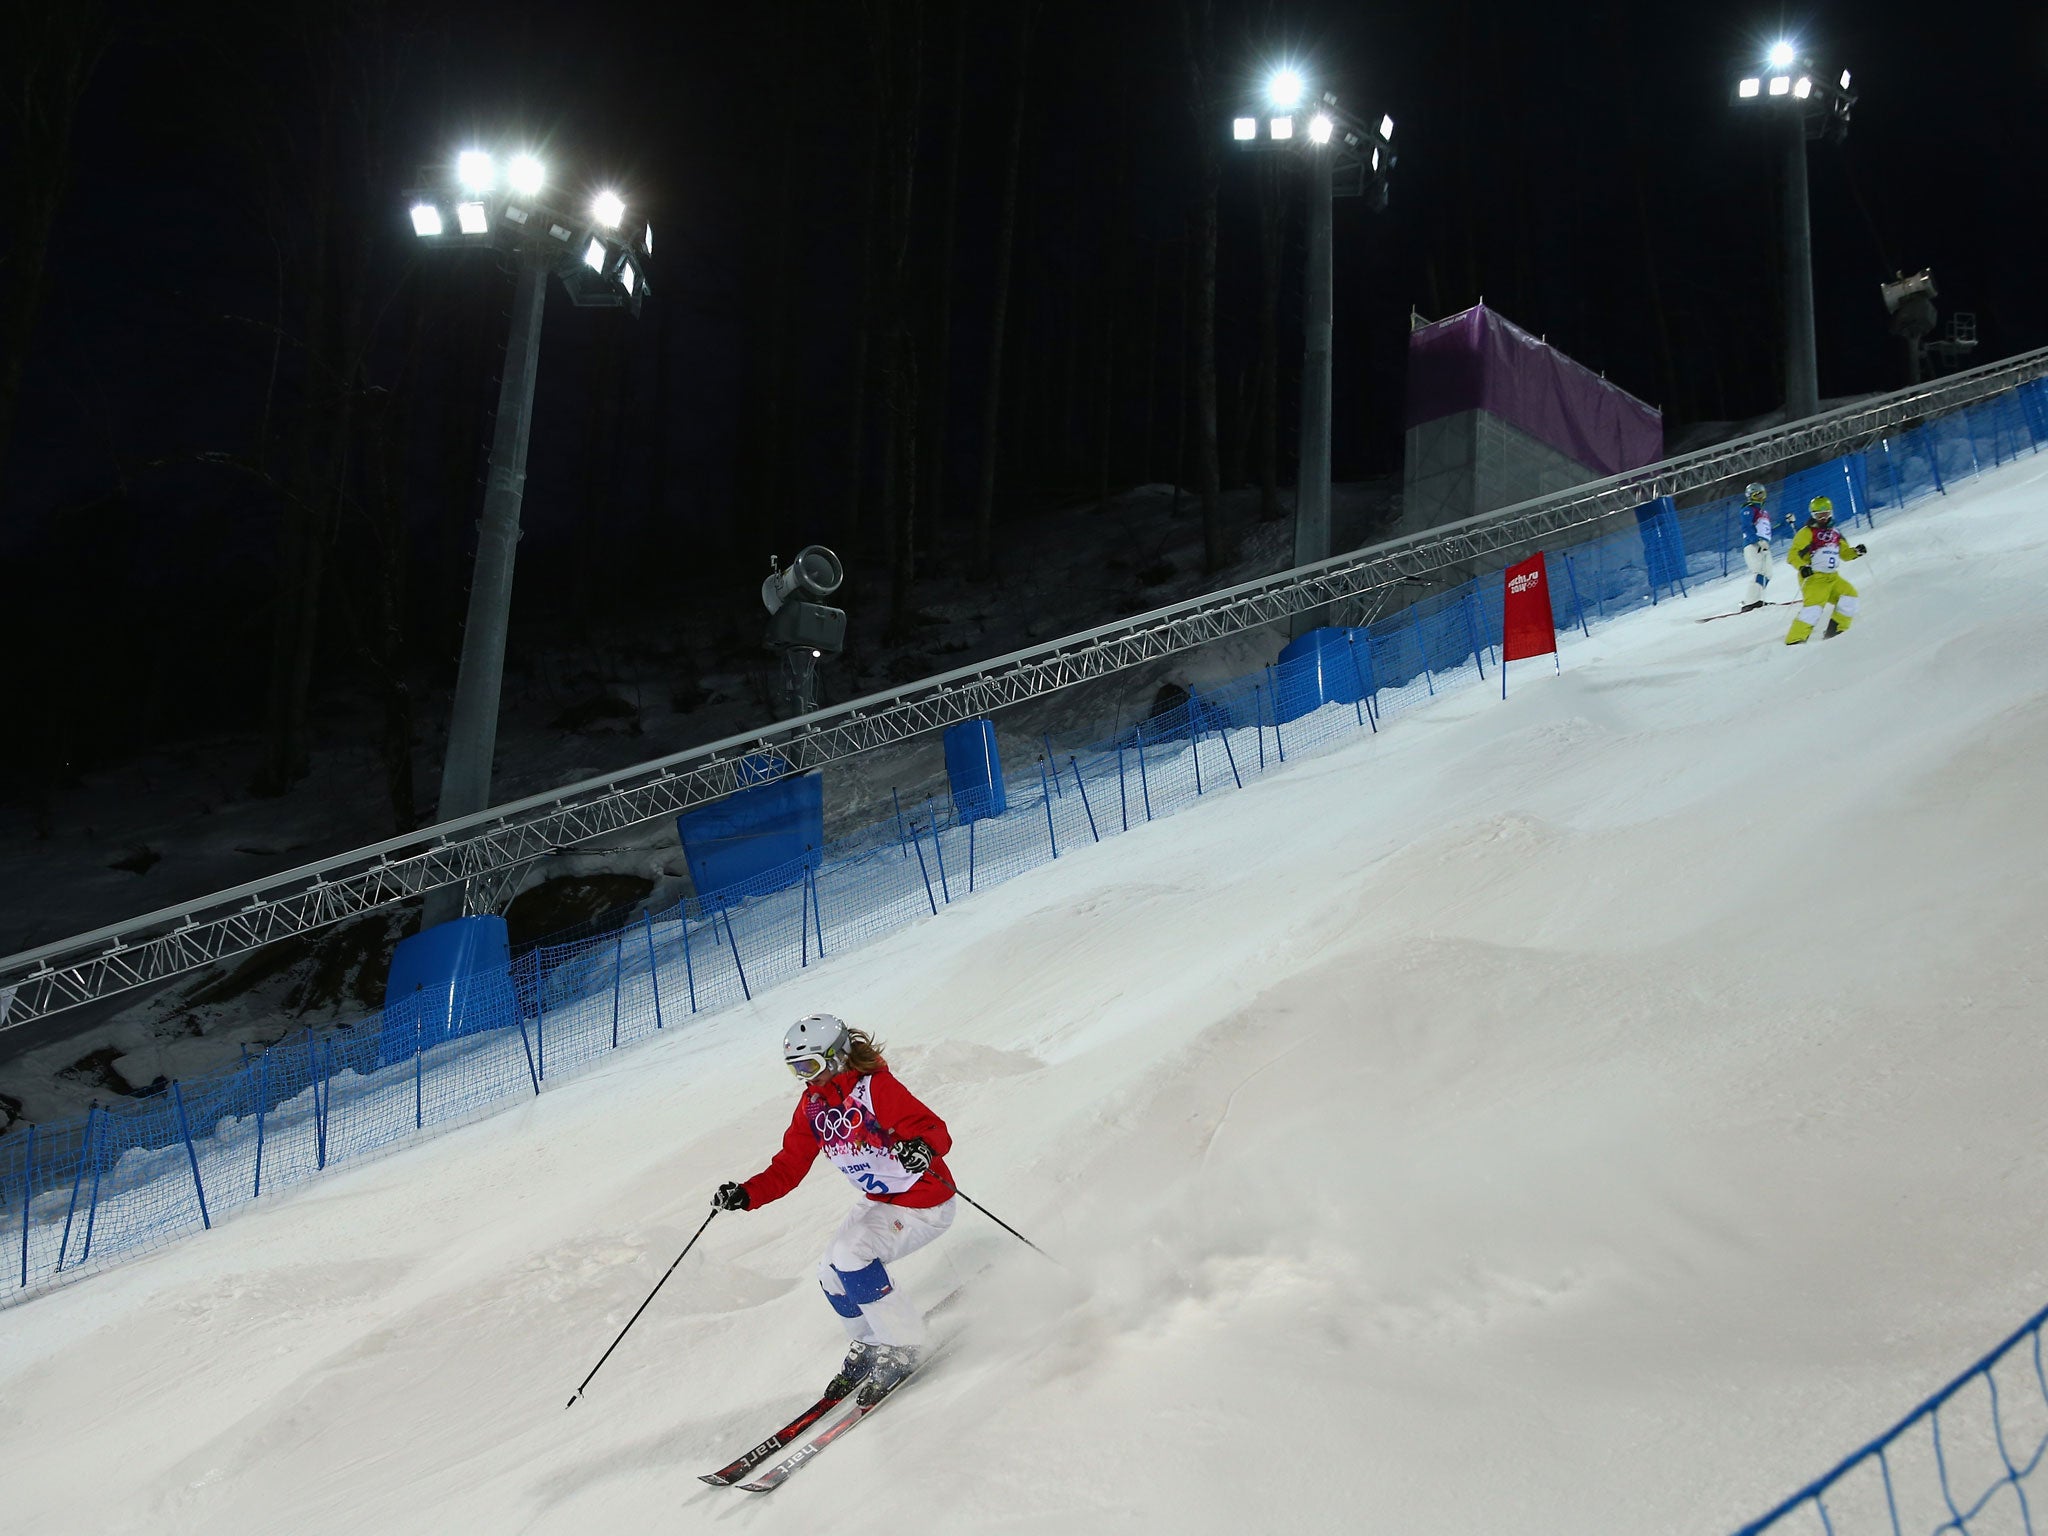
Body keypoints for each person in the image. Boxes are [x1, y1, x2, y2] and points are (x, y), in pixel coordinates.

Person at [712, 1013, 957, 1403]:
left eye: (810, 1065)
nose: (805, 1077)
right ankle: (872, 1341)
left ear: (837, 1057)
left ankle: (907, 1343)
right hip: (880, 1202)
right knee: (830, 1271)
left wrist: (921, 1148)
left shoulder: (876, 1088)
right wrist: (746, 1194)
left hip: (924, 1201)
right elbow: (789, 1166)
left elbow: (933, 1128)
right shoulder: (813, 1107)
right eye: (796, 1069)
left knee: (851, 1254)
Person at [1784, 495, 1867, 644]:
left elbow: (1844, 553)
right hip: (1815, 578)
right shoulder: (1806, 532)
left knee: (1850, 596)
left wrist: (1856, 552)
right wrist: (1802, 567)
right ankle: (1795, 640)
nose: (1823, 518)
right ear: (1813, 515)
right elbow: (1792, 555)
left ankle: (1836, 631)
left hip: (1833, 578)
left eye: (1826, 514)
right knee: (1814, 609)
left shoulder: (1835, 533)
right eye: (1819, 515)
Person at [1738, 482, 1776, 611]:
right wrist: (1757, 540)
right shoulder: (1748, 509)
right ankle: (1749, 602)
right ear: (1750, 497)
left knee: (1768, 573)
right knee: (1759, 571)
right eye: (1756, 495)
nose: (1760, 497)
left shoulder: (1763, 512)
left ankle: (1757, 599)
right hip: (1753, 545)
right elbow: (1746, 527)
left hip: (1764, 545)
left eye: (1761, 494)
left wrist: (1787, 523)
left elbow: (1768, 532)